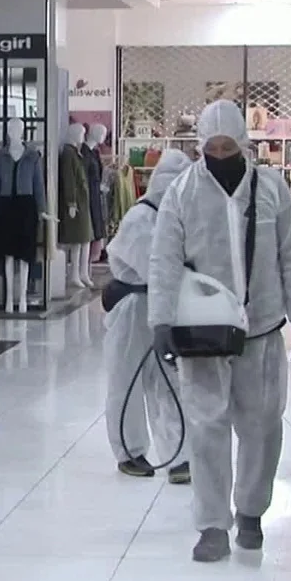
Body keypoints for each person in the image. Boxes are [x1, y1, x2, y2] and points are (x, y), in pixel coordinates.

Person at [148, 100, 291, 563]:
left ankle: (251, 514)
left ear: (243, 143)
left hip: (260, 328)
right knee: (205, 427)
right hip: (202, 332)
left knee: (261, 425)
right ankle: (211, 524)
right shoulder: (181, 193)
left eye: (228, 145)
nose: (220, 153)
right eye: (212, 146)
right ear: (200, 146)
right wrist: (160, 321)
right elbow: (163, 261)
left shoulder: (272, 189)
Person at [103, 148, 191, 483]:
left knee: (169, 382)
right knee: (126, 382)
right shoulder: (141, 218)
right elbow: (155, 269)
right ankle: (129, 451)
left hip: (164, 308)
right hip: (134, 309)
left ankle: (179, 456)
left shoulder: (175, 219)